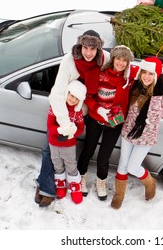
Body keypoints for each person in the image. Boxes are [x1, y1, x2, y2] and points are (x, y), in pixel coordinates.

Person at [35, 30, 109, 207]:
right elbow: (57, 94)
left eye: (93, 48)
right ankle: (46, 187)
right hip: (64, 111)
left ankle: (75, 181)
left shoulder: (104, 59)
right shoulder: (69, 61)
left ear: (98, 48)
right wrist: (65, 124)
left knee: (79, 150)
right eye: (85, 47)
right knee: (50, 148)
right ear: (80, 46)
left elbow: (122, 69)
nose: (88, 52)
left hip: (90, 110)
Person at [111, 57, 163, 210]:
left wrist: (156, 94)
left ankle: (150, 183)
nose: (147, 77)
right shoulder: (135, 87)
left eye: (151, 74)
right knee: (123, 163)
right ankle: (119, 195)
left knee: (132, 167)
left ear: (156, 76)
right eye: (144, 72)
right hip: (128, 132)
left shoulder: (161, 94)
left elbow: (155, 117)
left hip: (145, 137)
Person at [77, 45, 134, 201]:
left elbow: (154, 72)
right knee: (88, 150)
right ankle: (81, 178)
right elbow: (88, 96)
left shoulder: (128, 77)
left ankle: (100, 182)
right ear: (113, 59)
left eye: (125, 60)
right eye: (118, 58)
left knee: (104, 157)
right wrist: (98, 108)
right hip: (96, 119)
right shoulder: (100, 74)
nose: (121, 63)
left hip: (114, 124)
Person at [47, 80, 86, 204]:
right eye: (72, 95)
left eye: (77, 98)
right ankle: (61, 185)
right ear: (67, 93)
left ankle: (75, 188)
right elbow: (50, 125)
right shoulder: (56, 107)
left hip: (69, 144)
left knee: (71, 165)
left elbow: (80, 128)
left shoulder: (77, 112)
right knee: (57, 164)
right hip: (54, 142)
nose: (73, 99)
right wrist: (60, 130)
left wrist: (71, 133)